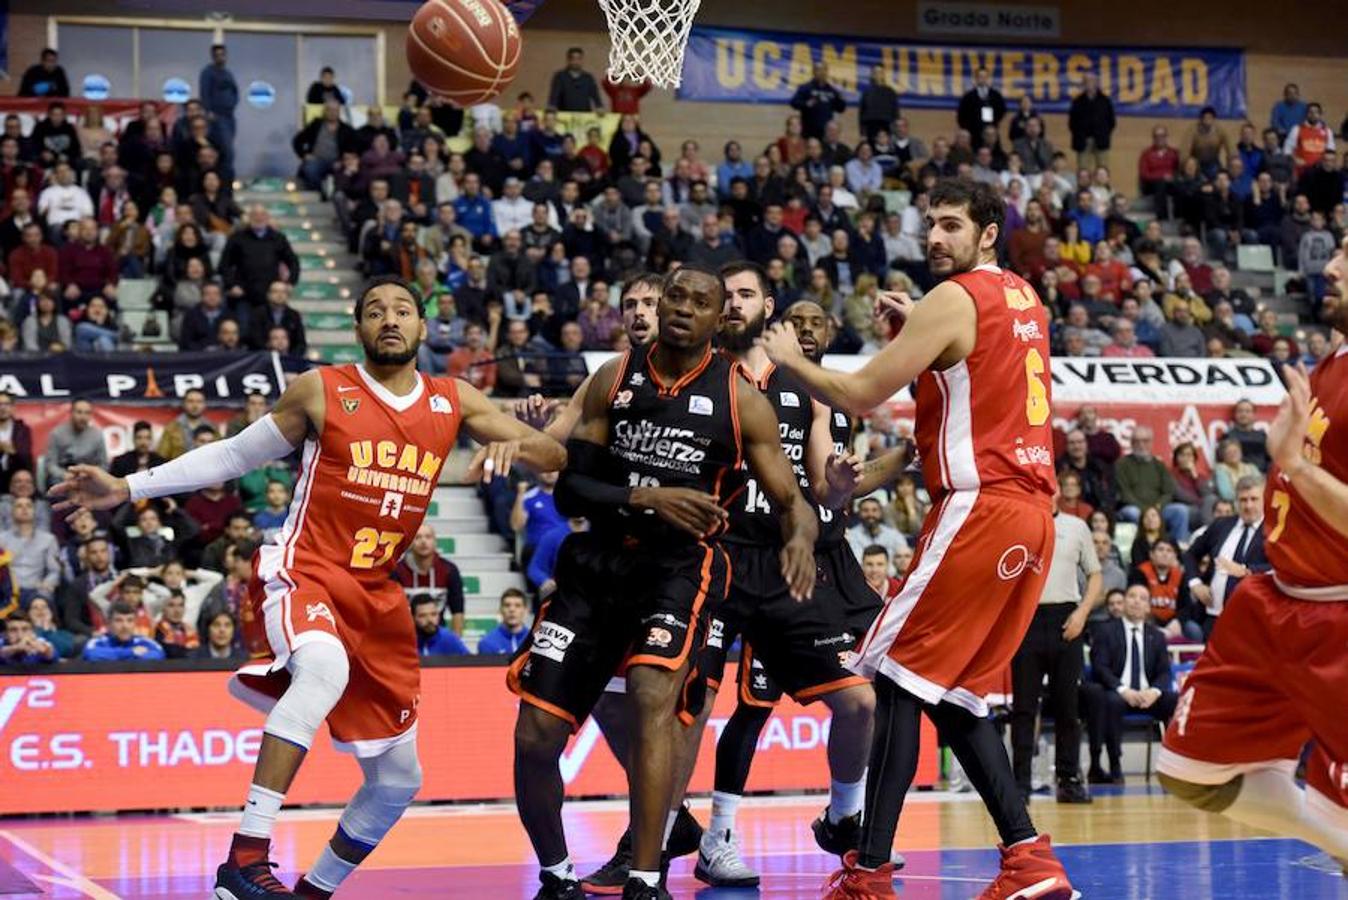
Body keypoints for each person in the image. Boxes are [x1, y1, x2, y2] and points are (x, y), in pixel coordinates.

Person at [49, 274, 565, 898]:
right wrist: (128, 488)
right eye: (375, 311)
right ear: (358, 327)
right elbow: (233, 456)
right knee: (321, 669)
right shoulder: (322, 390)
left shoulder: (452, 399)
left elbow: (552, 458)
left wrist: (531, 438)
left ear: (424, 328)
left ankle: (312, 891)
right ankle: (245, 856)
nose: (391, 319)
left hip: (378, 597)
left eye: (404, 310)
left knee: (398, 781)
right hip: (307, 571)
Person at [759, 179, 1075, 897]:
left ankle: (867, 870)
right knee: (954, 692)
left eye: (952, 225)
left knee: (898, 674)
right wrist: (916, 330)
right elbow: (964, 405)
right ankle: (1030, 859)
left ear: (988, 233)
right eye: (929, 224)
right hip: (1028, 519)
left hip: (981, 510)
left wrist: (788, 357)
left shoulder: (954, 299)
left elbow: (862, 392)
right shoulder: (1024, 298)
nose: (934, 237)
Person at [507, 265, 816, 900]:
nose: (683, 308)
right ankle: (557, 876)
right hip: (596, 565)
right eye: (675, 296)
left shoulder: (739, 398)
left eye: (701, 302)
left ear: (717, 319)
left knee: (653, 696)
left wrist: (803, 540)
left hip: (678, 569)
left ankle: (647, 878)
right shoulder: (613, 378)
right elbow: (570, 486)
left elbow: (792, 499)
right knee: (535, 734)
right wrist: (648, 496)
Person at [690, 279, 881, 887]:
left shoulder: (818, 393)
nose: (736, 304)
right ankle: (706, 834)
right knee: (703, 709)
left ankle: (846, 819)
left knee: (860, 699)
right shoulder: (706, 374)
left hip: (797, 561)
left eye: (747, 294)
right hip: (717, 556)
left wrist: (880, 470)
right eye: (728, 296)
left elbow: (831, 487)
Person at [1011, 504, 1102, 804]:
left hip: (1067, 619)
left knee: (1068, 707)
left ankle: (1068, 780)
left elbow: (1095, 575)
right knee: (1024, 708)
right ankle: (1019, 782)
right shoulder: (1016, 522)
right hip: (1027, 619)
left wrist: (1082, 613)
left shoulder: (1077, 526)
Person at [1084, 584, 1177, 784]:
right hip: (1118, 692)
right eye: (1132, 596)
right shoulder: (1106, 631)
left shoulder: (1157, 636)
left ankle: (1179, 765)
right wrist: (1124, 690)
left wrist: (1154, 691)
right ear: (1124, 602)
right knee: (1111, 701)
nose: (1136, 601)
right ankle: (1115, 764)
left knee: (1177, 701)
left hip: (1147, 695)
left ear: (1148, 607)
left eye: (1142, 598)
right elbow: (1100, 667)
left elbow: (1164, 672)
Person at [1184, 475, 1268, 639]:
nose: (1248, 505)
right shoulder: (1221, 525)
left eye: (1254, 499)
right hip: (1214, 617)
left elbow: (1279, 568)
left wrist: (1246, 571)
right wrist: (1195, 584)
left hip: (1255, 621)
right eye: (1243, 500)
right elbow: (1191, 554)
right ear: (1236, 502)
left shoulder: (1274, 531)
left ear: (1264, 499)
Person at [1115, 426, 1191, 542]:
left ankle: (1179, 548)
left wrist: (1157, 507)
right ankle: (1141, 546)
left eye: (1145, 441)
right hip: (1135, 508)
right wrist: (1146, 510)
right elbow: (1124, 493)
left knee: (1180, 510)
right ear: (1131, 443)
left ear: (1151, 443)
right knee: (1132, 512)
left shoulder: (1159, 465)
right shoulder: (1122, 464)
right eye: (1137, 441)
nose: (1141, 445)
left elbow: (1168, 492)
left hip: (1158, 509)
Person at [393, 523, 465, 634]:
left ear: (435, 542)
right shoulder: (397, 571)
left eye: (428, 537)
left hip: (437, 636)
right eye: (418, 537)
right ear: (410, 543)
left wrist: (454, 642)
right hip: (404, 636)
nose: (423, 541)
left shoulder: (449, 570)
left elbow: (457, 611)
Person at [42, 399, 107, 491]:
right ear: (71, 413)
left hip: (88, 476)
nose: (83, 417)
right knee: (56, 483)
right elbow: (50, 464)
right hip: (63, 476)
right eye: (79, 412)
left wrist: (90, 475)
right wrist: (64, 475)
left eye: (87, 413)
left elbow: (104, 465)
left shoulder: (97, 435)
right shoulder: (57, 433)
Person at [81, 603, 166, 662]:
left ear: (135, 623)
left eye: (130, 620)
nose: (125, 626)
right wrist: (130, 652)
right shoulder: (98, 642)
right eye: (119, 620)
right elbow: (91, 654)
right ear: (109, 624)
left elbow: (158, 654)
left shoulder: (144, 642)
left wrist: (112, 657)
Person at [1068, 72, 1116, 173]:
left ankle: (1102, 188)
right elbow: (1072, 123)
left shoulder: (1105, 101)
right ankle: (1084, 188)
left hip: (1101, 140)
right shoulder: (1077, 102)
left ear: (1096, 83)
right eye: (1086, 82)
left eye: (1091, 81)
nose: (1089, 84)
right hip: (1083, 140)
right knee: (1083, 170)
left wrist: (1104, 133)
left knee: (1102, 169)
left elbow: (1111, 121)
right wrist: (1079, 134)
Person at [199, 44, 239, 162]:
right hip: (217, 116)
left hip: (229, 116)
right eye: (217, 55)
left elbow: (235, 91)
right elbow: (204, 92)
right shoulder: (208, 72)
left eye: (222, 55)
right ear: (213, 57)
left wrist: (233, 103)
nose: (220, 57)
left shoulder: (228, 73)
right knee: (227, 149)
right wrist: (208, 111)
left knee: (229, 145)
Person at [790, 64, 846, 141]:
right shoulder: (806, 88)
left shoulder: (832, 90)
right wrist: (806, 104)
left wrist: (841, 97)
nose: (822, 73)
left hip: (826, 133)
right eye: (819, 70)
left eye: (824, 70)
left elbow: (841, 109)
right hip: (809, 131)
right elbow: (793, 103)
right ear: (814, 72)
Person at [957, 69, 1006, 147]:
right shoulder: (968, 96)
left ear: (988, 79)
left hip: (991, 132)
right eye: (980, 76)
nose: (982, 79)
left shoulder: (995, 95)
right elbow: (961, 115)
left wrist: (994, 122)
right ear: (976, 79)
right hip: (974, 133)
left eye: (985, 77)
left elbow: (1002, 110)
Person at [476, 588, 530, 655]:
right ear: (500, 610)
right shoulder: (487, 642)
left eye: (517, 606)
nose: (512, 610)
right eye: (507, 605)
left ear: (526, 611)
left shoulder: (536, 641)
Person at [547, 47, 603, 112]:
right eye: (573, 59)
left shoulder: (588, 78)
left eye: (579, 59)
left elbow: (595, 95)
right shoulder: (560, 76)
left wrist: (599, 106)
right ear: (568, 60)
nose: (576, 62)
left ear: (582, 60)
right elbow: (554, 95)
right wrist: (552, 106)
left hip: (585, 115)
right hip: (564, 115)